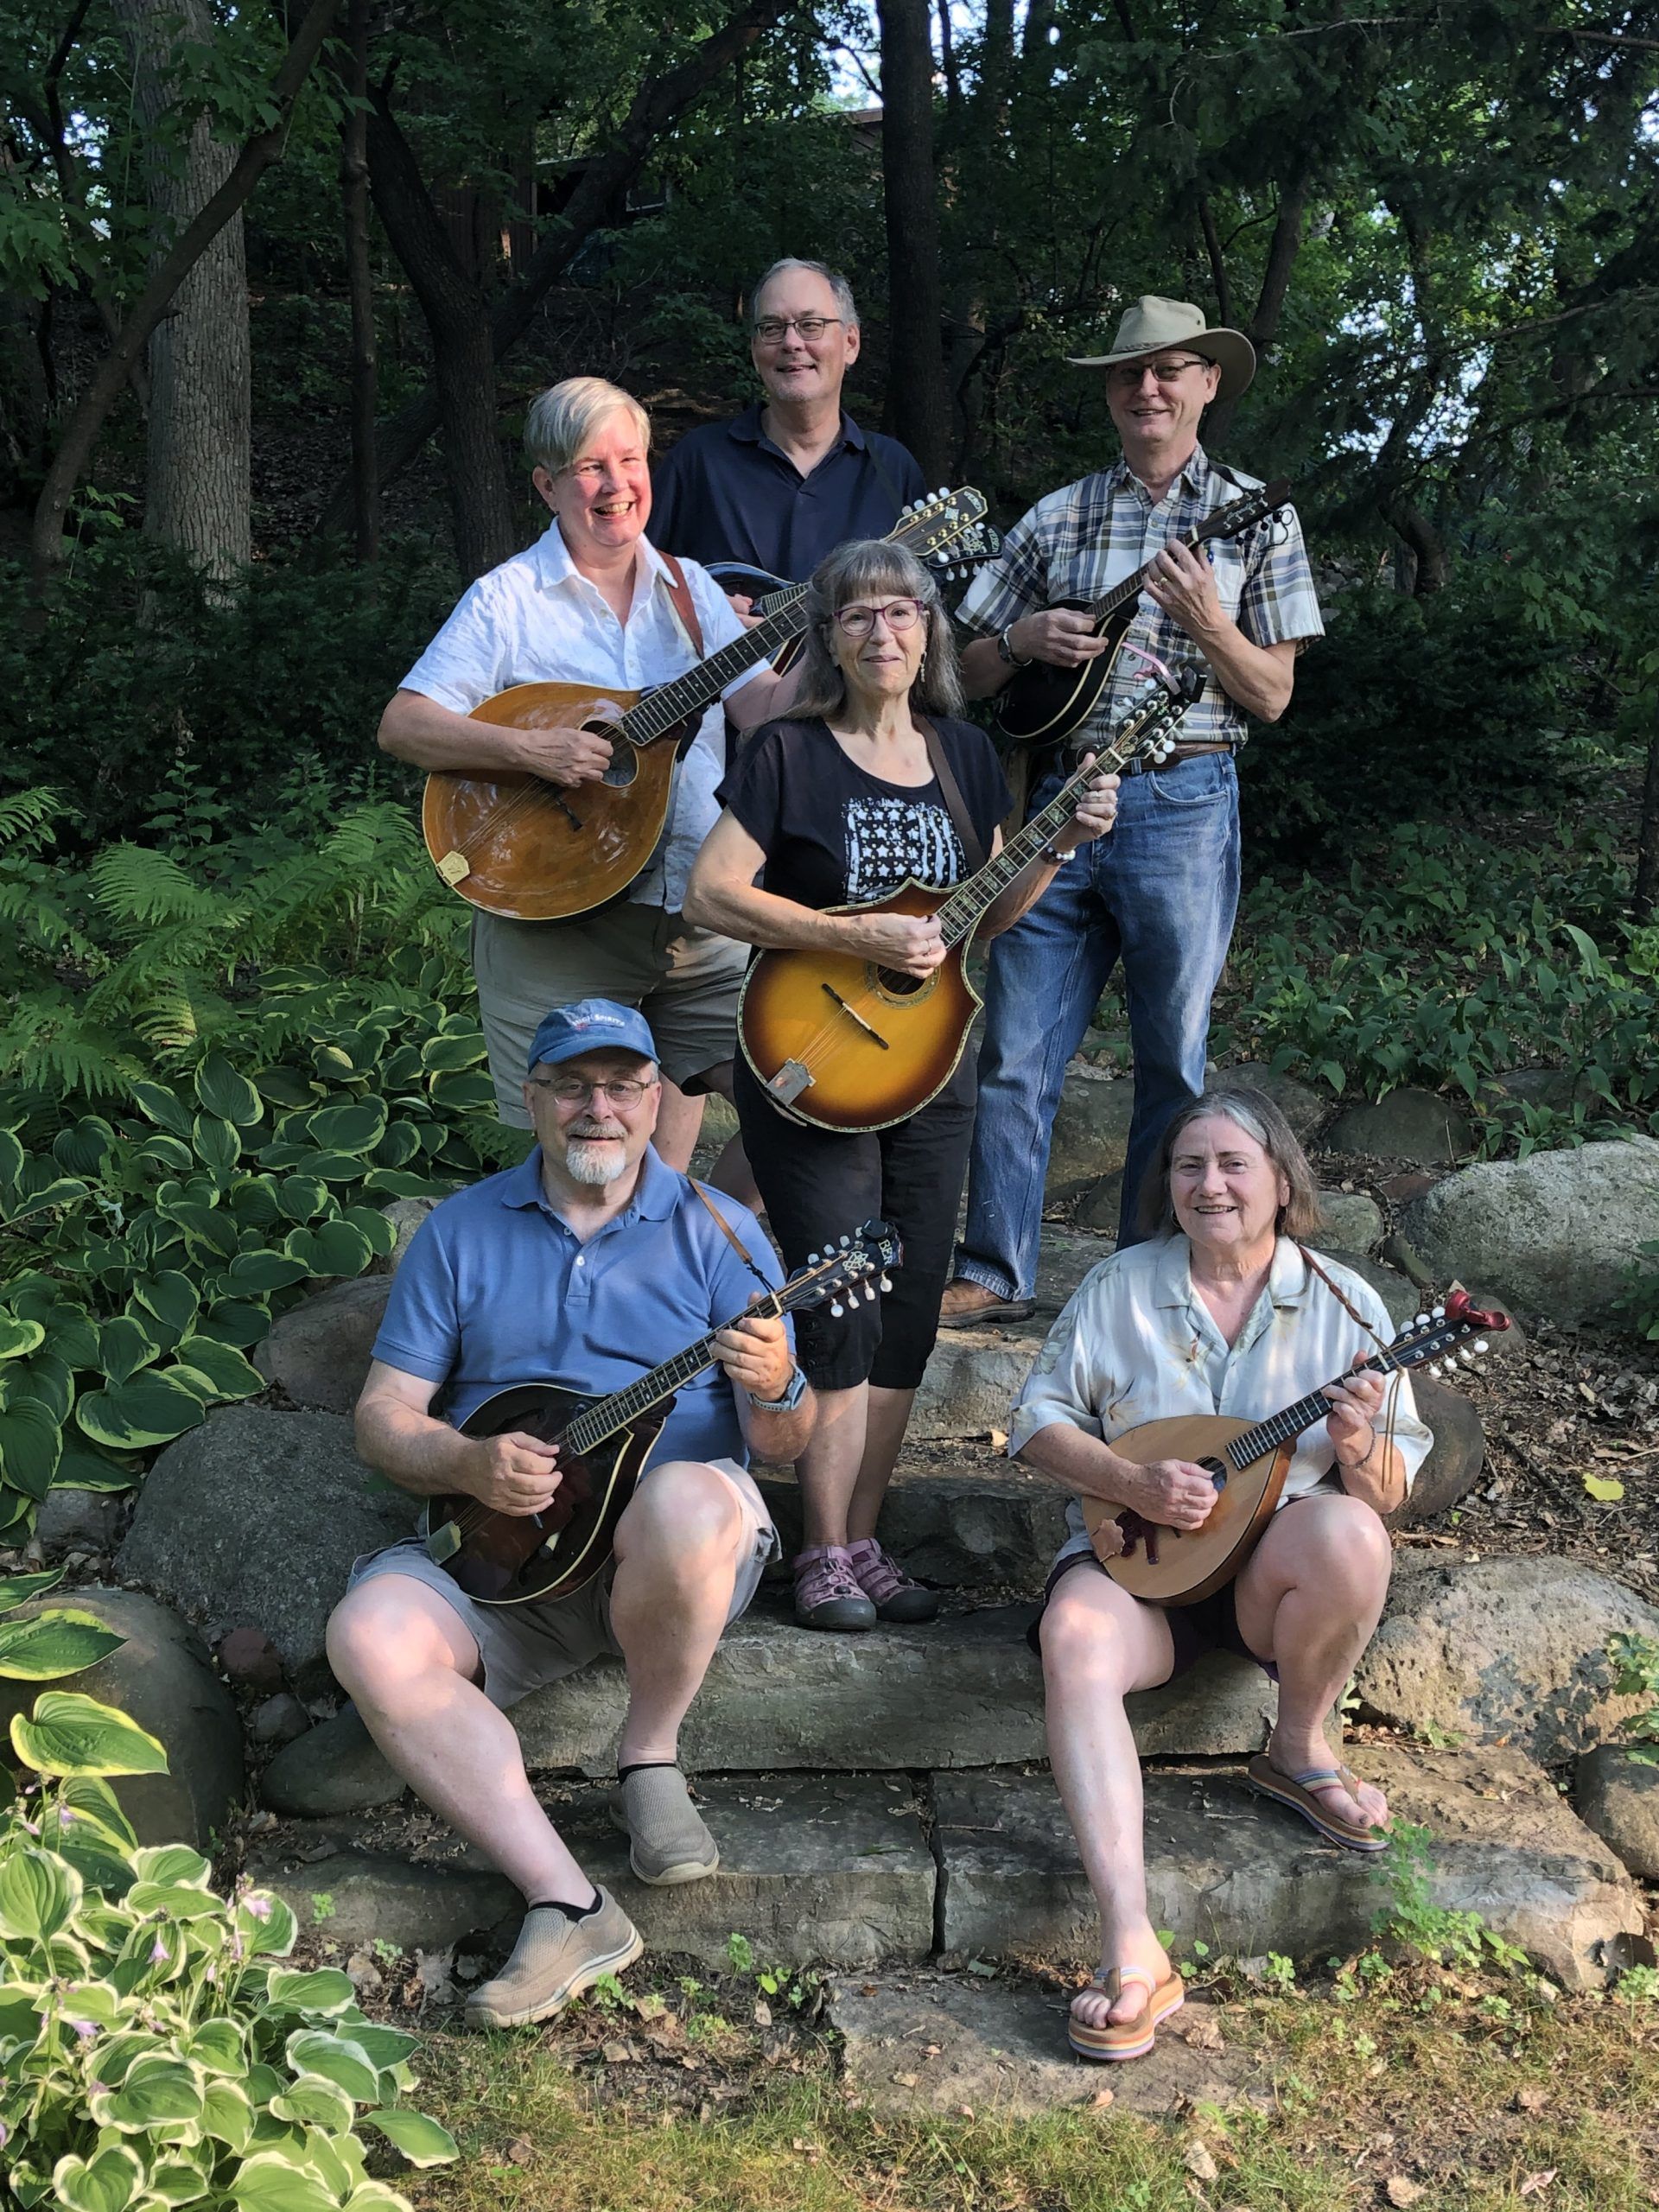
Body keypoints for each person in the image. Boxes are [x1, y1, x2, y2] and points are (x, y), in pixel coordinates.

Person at [325, 999, 816, 2030]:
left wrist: (775, 1386)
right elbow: (382, 1419)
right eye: (574, 1086)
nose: (601, 1108)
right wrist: (463, 1458)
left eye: (624, 1086)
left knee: (685, 1496)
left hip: (672, 1558)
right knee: (368, 1631)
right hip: (510, 1555)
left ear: (656, 1102)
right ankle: (569, 1901)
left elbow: (783, 1449)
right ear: (533, 1099)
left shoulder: (720, 1231)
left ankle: (648, 1755)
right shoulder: (462, 1231)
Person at [683, 540, 1116, 1631]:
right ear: (829, 638)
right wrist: (849, 929)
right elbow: (713, 891)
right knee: (840, 1298)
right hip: (813, 1060)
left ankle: (865, 1543)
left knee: (912, 1307)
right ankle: (819, 1549)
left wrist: (1059, 843)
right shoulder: (787, 753)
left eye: (903, 614)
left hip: (936, 1065)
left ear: (930, 631)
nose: (884, 634)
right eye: (859, 616)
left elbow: (990, 916)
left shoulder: (967, 753)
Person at [1011, 1084, 1432, 2060]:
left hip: (1264, 1584)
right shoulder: (1119, 1286)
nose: (1211, 1184)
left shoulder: (1346, 1302)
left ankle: (1297, 1746)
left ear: (1282, 1182)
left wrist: (1360, 1439)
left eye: (1235, 1164)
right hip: (1137, 1568)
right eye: (1190, 1165)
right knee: (1070, 1633)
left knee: (1351, 1536)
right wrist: (1127, 1480)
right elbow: (1035, 1423)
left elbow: (1389, 1490)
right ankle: (1131, 1946)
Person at [938, 296, 1325, 1328]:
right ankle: (995, 1268)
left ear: (1207, 384)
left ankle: (1143, 1274)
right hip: (1059, 798)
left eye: (1170, 370)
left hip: (1186, 802)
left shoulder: (1259, 515)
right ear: (1110, 393)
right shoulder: (1057, 516)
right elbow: (965, 669)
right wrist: (1023, 640)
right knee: (1017, 1047)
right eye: (1127, 374)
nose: (1146, 388)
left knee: (1172, 1054)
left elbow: (1275, 694)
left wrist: (1208, 620)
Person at [376, 375, 796, 1179]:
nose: (616, 485)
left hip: (699, 915)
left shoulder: (690, 588)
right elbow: (405, 725)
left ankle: (704, 1242)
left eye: (630, 461)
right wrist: (535, 752)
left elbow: (763, 709)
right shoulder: (508, 600)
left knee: (793, 1106)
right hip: (563, 920)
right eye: (590, 467)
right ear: (547, 485)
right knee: (584, 1159)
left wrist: (851, 634)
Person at [649, 258, 926, 601]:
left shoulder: (892, 469)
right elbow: (631, 584)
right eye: (771, 327)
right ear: (754, 350)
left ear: (851, 343)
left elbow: (919, 617)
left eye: (811, 325)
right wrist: (697, 614)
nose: (791, 342)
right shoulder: (698, 461)